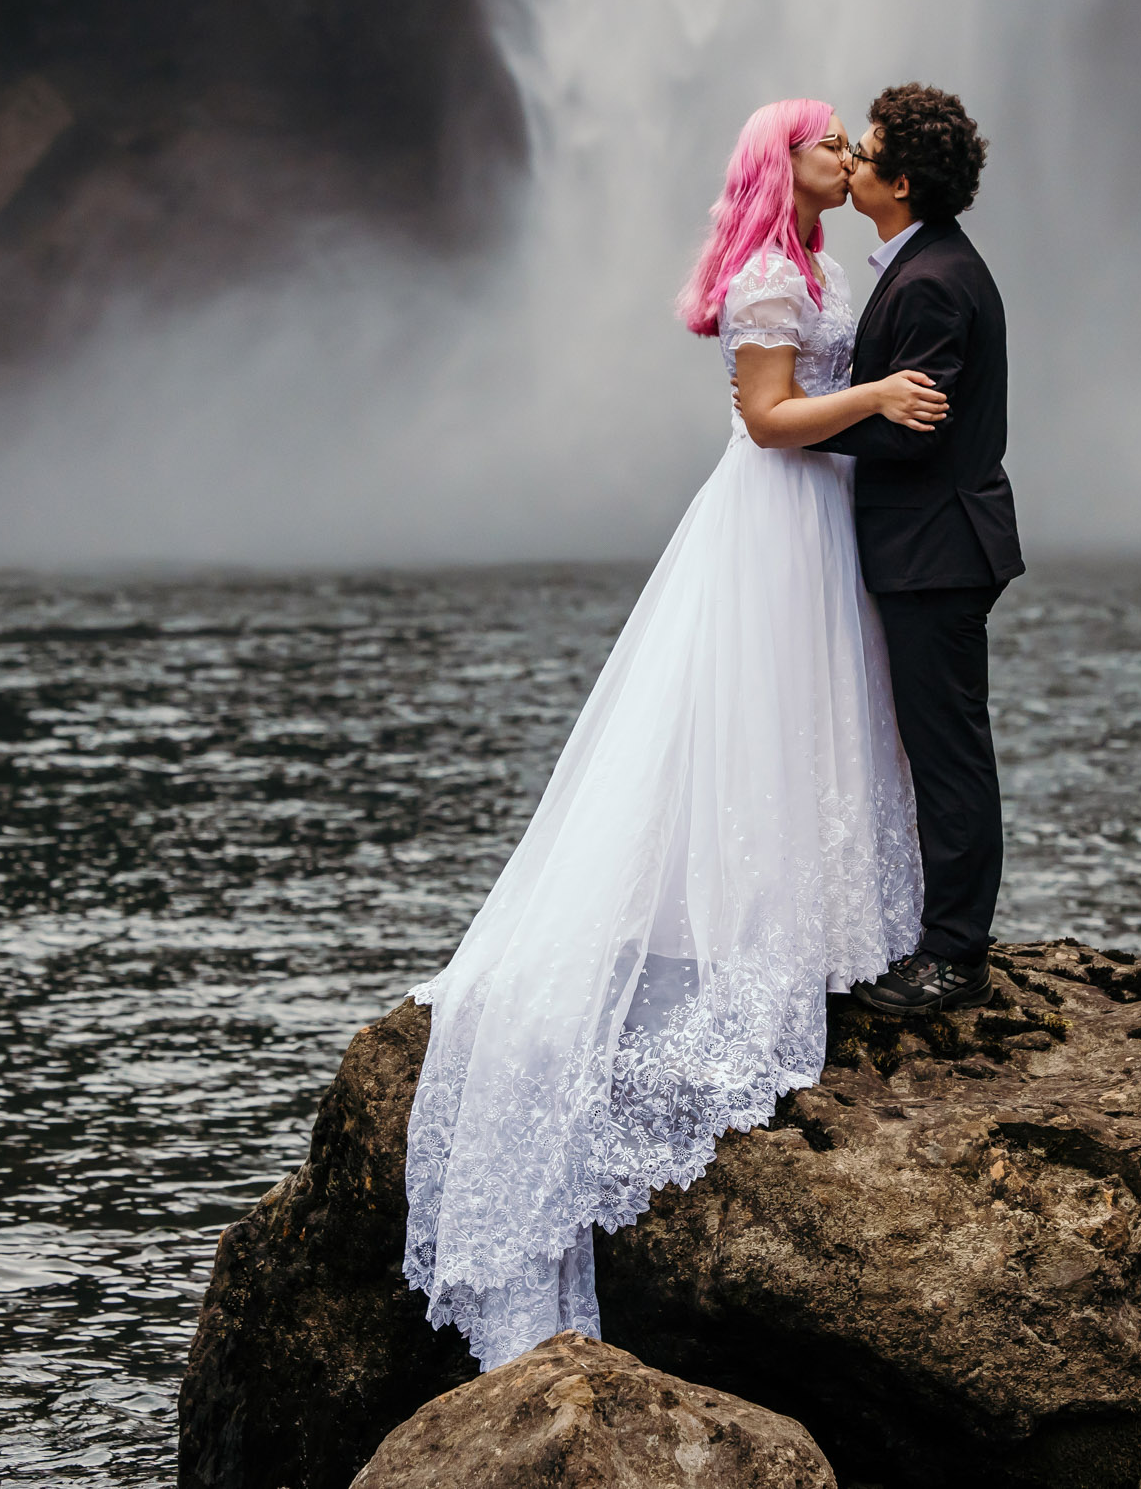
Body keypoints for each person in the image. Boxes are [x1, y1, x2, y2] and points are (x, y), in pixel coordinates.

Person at [399, 99, 948, 1370]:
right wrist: (873, 392)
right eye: (825, 143)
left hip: (818, 514)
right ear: (782, 164)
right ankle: (754, 917)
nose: (844, 157)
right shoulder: (769, 270)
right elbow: (766, 417)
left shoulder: (815, 262)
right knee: (753, 714)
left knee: (808, 714)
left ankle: (815, 911)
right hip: (774, 511)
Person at [807, 83, 1024, 1018]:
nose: (848, 160)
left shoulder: (933, 279)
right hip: (931, 544)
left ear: (897, 181)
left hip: (936, 549)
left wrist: (794, 429)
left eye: (865, 152)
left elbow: (916, 426)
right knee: (936, 746)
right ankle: (938, 936)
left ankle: (955, 957)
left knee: (947, 753)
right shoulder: (924, 261)